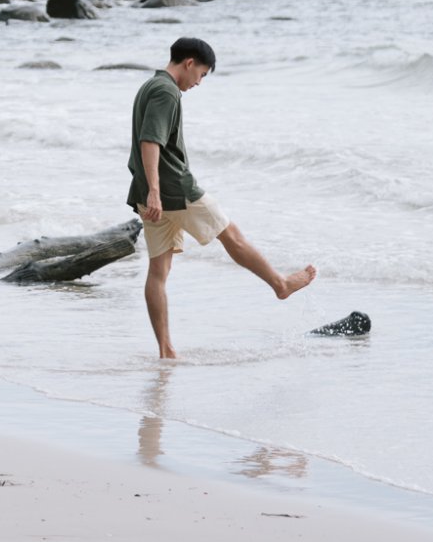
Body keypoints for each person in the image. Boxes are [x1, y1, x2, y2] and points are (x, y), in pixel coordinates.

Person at [129, 37, 314, 359]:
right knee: (231, 234)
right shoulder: (166, 91)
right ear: (189, 63)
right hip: (174, 189)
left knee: (158, 270)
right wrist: (158, 191)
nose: (198, 82)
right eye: (201, 74)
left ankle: (166, 350)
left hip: (150, 190)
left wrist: (150, 192)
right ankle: (280, 284)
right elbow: (150, 141)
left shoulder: (150, 85)